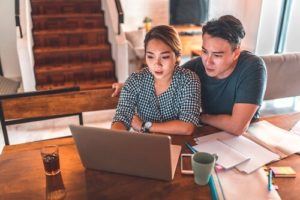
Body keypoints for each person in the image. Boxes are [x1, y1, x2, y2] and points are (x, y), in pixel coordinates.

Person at [112, 15, 267, 136]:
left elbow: (237, 127)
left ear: (236, 53)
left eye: (217, 55)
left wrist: (201, 117)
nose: (208, 61)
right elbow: (167, 74)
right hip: (208, 134)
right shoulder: (196, 66)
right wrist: (128, 85)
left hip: (246, 137)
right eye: (204, 51)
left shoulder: (252, 67)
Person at [111, 25, 201, 135]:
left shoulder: (189, 80)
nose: (157, 64)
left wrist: (144, 126)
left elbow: (187, 127)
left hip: (180, 145)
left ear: (177, 56)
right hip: (147, 145)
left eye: (165, 57)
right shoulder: (135, 80)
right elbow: (122, 117)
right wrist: (115, 138)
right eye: (150, 56)